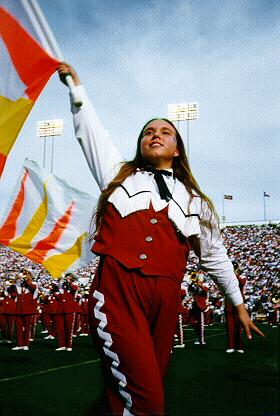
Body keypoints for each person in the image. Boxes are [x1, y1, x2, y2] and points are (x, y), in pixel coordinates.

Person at [58, 63, 265, 416]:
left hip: (166, 301)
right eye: (148, 132)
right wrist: (77, 90)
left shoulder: (196, 201)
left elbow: (215, 256)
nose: (156, 134)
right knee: (147, 401)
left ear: (177, 149)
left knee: (121, 392)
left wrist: (238, 303)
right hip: (119, 291)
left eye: (165, 132)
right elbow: (90, 133)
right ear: (140, 145)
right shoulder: (119, 174)